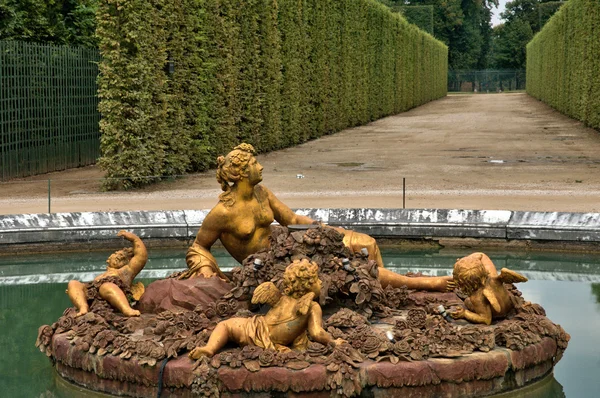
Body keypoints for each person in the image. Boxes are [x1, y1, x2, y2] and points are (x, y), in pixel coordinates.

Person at [181, 143, 450, 292]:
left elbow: (290, 217)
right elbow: (198, 246)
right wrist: (205, 268)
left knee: (366, 243)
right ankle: (420, 284)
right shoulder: (223, 212)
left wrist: (323, 228)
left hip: (293, 242)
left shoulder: (262, 192)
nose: (260, 166)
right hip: (277, 264)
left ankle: (381, 294)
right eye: (253, 164)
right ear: (240, 173)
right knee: (353, 267)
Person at [189, 259, 345, 359]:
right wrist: (333, 341)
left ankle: (210, 348)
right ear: (306, 285)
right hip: (262, 330)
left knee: (225, 325)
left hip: (256, 328)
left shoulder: (285, 298)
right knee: (225, 326)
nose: (320, 283)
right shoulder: (312, 306)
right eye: (316, 280)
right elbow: (317, 333)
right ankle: (209, 348)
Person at [66, 230, 148, 317]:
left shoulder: (126, 271)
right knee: (73, 283)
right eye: (117, 255)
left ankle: (126, 309)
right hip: (92, 296)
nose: (119, 257)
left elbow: (141, 257)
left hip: (111, 294)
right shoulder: (101, 275)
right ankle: (83, 307)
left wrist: (135, 239)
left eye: (123, 258)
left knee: (106, 286)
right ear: (108, 259)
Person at [450, 252, 528, 325]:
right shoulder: (494, 278)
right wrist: (469, 260)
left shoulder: (477, 297)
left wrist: (465, 314)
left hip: (497, 315)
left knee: (467, 301)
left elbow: (486, 320)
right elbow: (481, 254)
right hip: (508, 307)